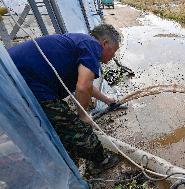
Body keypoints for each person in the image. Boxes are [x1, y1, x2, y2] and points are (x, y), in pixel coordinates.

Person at [8, 24, 121, 170]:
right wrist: (83, 115)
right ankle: (102, 161)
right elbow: (82, 87)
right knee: (76, 129)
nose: (113, 56)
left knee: (54, 130)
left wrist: (107, 100)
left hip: (12, 79)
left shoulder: (79, 43)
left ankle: (65, 164)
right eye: (114, 51)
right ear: (105, 43)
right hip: (29, 85)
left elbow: (86, 86)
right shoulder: (92, 45)